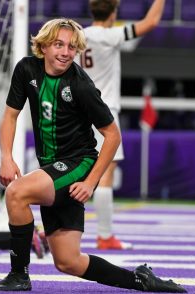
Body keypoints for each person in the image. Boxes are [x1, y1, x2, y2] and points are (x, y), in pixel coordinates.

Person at [0, 18, 186, 293]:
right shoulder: (26, 69)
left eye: (71, 47)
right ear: (43, 46)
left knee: (16, 193)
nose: (65, 52)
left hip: (78, 163)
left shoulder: (80, 84)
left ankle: (18, 275)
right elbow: (11, 114)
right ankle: (140, 279)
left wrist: (91, 182)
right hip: (52, 167)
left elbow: (113, 135)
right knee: (68, 262)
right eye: (59, 44)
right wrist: (6, 157)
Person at [78, 0, 165, 250]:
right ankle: (105, 236)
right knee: (106, 173)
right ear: (113, 13)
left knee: (72, 168)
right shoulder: (112, 34)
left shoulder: (79, 35)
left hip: (80, 110)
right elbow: (150, 23)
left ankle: (52, 229)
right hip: (105, 111)